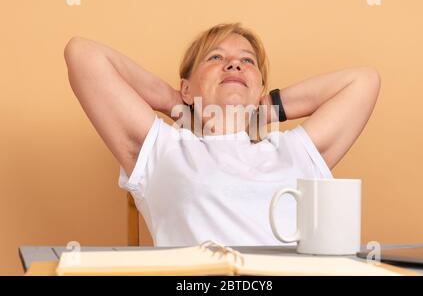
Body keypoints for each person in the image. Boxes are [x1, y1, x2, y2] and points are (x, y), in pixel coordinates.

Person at [64, 22, 380, 246]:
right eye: (216, 58)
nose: (233, 65)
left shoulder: (292, 150)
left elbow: (364, 82)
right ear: (187, 86)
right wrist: (175, 101)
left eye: (247, 61)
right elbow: (82, 55)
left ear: (260, 89)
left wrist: (263, 109)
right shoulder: (164, 149)